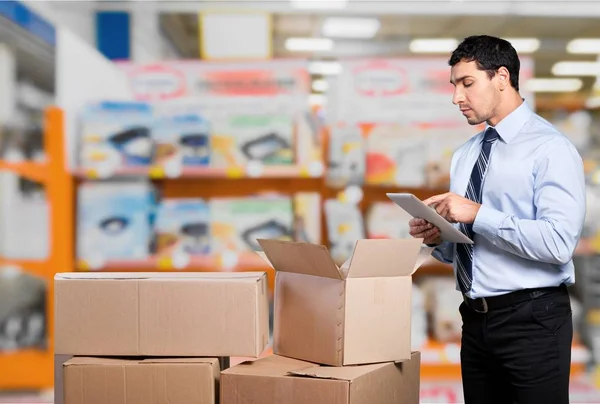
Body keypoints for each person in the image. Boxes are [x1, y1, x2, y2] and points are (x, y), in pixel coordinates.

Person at [409, 35, 586, 404]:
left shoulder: (550, 149)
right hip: (475, 321)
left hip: (533, 319)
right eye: (454, 86)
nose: (457, 97)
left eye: (467, 83)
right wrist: (437, 238)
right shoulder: (466, 155)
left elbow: (558, 244)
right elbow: (474, 247)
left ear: (502, 77)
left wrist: (477, 213)